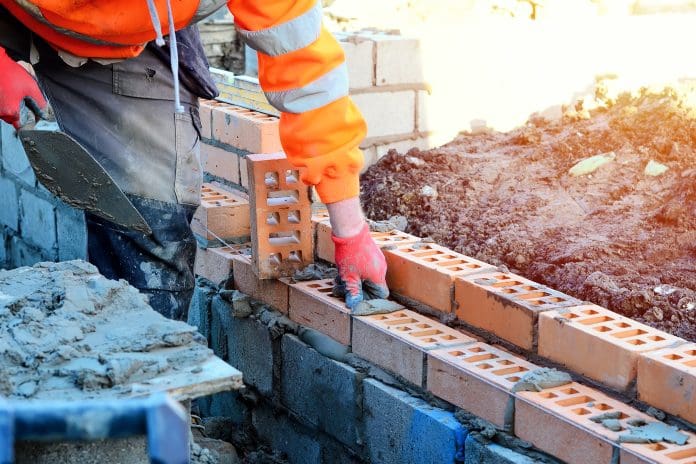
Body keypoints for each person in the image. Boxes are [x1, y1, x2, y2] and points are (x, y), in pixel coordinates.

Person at [0, 0, 388, 319]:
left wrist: (349, 229)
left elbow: (305, 69)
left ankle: (142, 391)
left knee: (152, 222)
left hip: (128, 37)